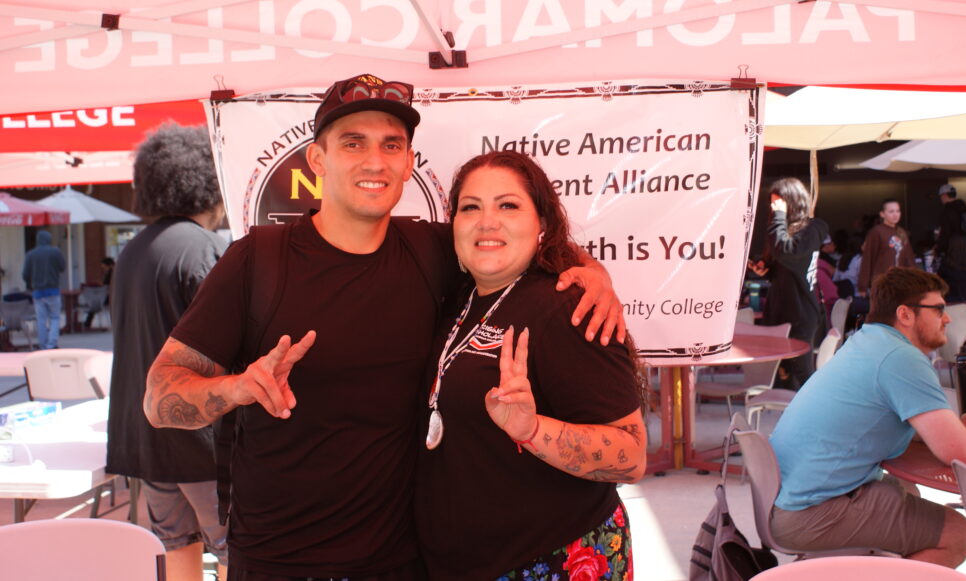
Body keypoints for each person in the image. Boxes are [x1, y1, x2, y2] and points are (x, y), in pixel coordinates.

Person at [141, 74, 625, 581]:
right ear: (318, 160)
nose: (375, 161)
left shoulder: (430, 251)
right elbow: (158, 399)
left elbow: (516, 239)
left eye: (391, 145)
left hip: (400, 562)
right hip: (278, 562)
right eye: (354, 143)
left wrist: (592, 274)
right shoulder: (257, 260)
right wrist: (237, 388)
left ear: (409, 162)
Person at [415, 151, 646, 580]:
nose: (487, 222)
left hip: (552, 559)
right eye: (471, 208)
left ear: (541, 223)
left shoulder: (570, 307)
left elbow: (630, 456)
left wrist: (532, 430)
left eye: (508, 205)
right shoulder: (458, 300)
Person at [770, 267, 966, 568]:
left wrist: (952, 429)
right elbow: (958, 451)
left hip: (790, 497)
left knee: (906, 491)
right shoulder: (901, 358)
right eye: (938, 309)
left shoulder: (867, 341)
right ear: (905, 315)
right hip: (811, 512)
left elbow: (919, 428)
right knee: (957, 533)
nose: (947, 318)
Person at [106, 125, 229, 581]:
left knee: (176, 548)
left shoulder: (132, 252)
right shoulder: (202, 250)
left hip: (145, 435)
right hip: (200, 439)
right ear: (207, 184)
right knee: (235, 550)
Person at [750, 178, 829, 389]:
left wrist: (778, 217)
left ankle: (816, 411)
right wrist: (767, 270)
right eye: (773, 205)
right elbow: (786, 267)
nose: (775, 209)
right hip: (779, 310)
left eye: (779, 204)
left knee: (802, 370)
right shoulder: (784, 231)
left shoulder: (813, 229)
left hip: (801, 313)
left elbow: (788, 252)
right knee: (781, 371)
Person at [857, 198, 916, 296]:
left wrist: (915, 279)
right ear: (882, 214)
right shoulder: (876, 232)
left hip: (900, 283)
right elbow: (868, 258)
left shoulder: (901, 232)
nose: (895, 214)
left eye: (898, 211)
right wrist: (863, 286)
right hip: (881, 284)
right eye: (891, 211)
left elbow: (909, 259)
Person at [21, 229, 66, 349]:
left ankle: (43, 344)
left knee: (41, 320)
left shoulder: (31, 254)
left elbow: (25, 274)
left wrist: (31, 283)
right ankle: (52, 343)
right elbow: (62, 267)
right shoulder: (55, 252)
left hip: (38, 291)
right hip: (53, 289)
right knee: (55, 317)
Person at [83, 256, 115, 328]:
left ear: (109, 265)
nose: (104, 269)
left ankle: (87, 323)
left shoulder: (111, 273)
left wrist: (98, 283)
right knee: (94, 302)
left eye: (104, 267)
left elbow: (105, 284)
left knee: (94, 303)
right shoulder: (112, 272)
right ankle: (87, 322)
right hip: (106, 296)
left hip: (108, 297)